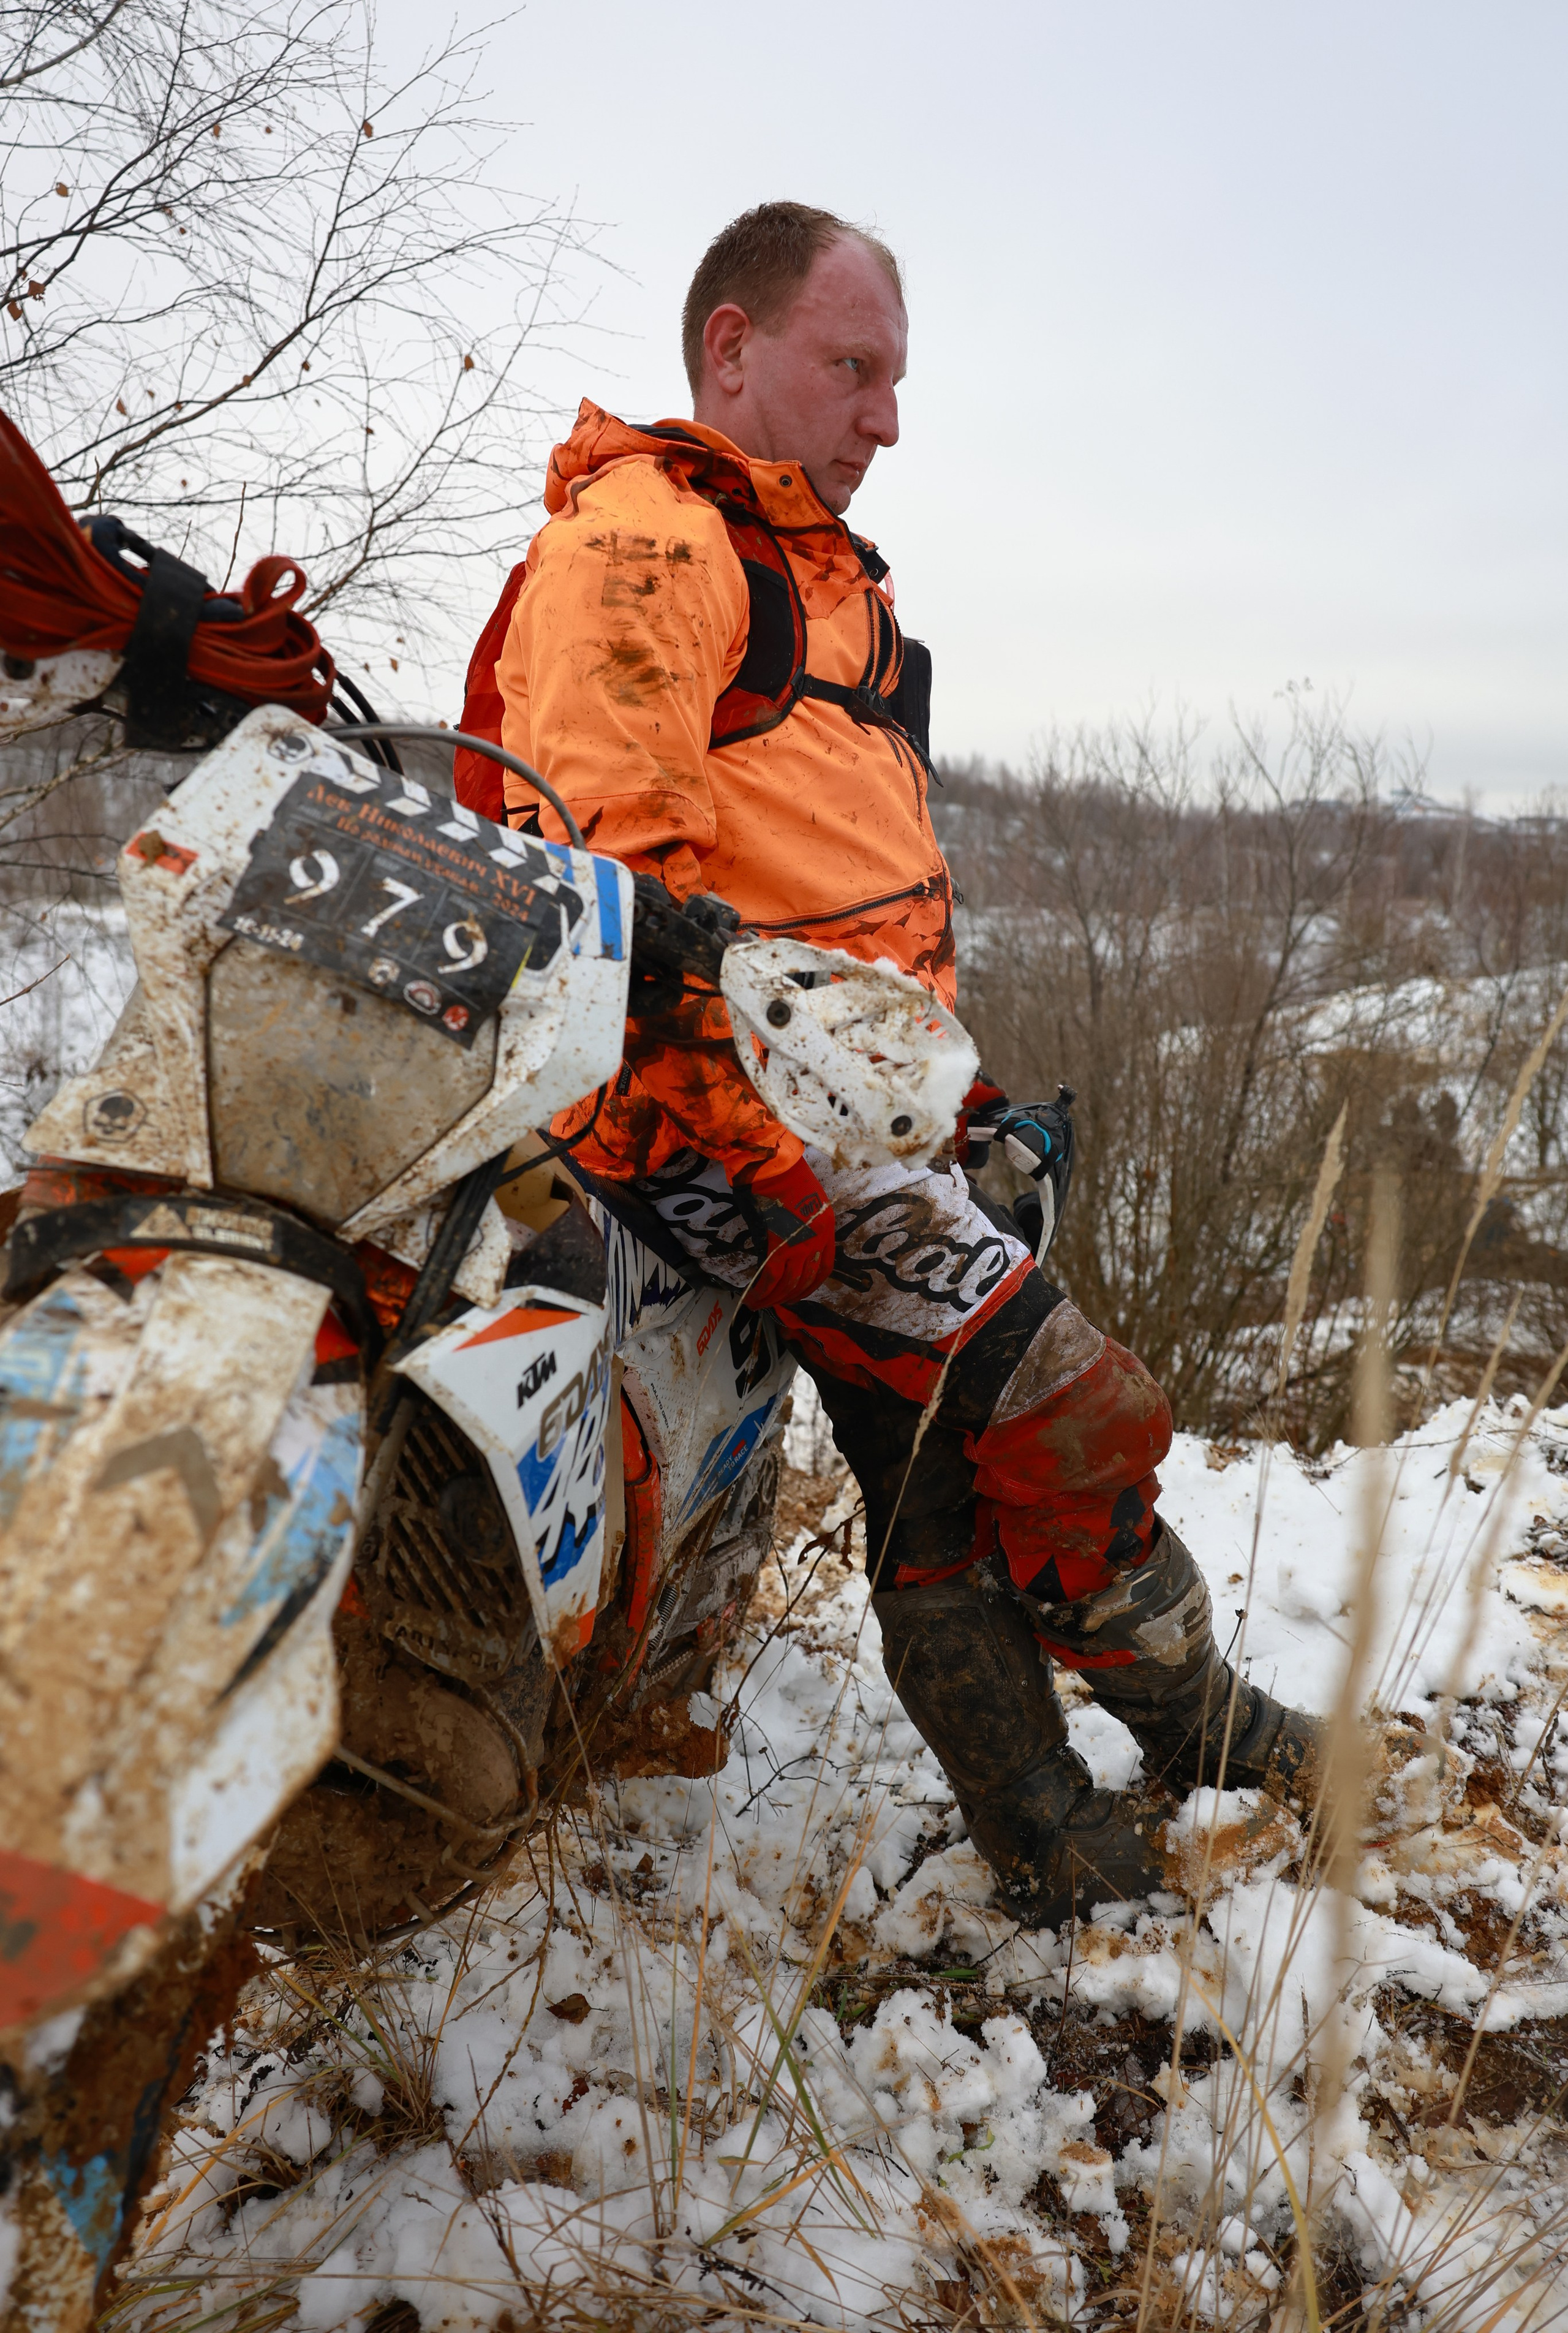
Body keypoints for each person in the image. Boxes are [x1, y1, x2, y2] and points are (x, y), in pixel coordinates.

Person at [459, 200, 1321, 1924]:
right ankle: (1200, 1721)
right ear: (733, 350)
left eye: (896, 379)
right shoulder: (647, 542)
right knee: (1066, 1403)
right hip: (713, 1131)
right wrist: (756, 1158)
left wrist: (967, 1099)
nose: (889, 420)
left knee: (932, 1480)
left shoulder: (832, 587)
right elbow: (612, 889)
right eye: (853, 370)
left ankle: (1036, 1819)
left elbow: (844, 910)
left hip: (849, 1122)